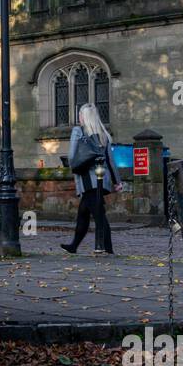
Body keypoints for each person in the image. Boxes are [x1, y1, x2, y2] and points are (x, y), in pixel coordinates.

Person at [61, 103, 122, 254]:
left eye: (80, 114)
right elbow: (110, 161)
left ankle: (108, 249)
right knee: (83, 212)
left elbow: (72, 156)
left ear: (84, 116)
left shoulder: (78, 131)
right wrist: (117, 181)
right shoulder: (104, 134)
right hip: (102, 178)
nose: (79, 117)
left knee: (99, 215)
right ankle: (74, 245)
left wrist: (71, 164)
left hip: (89, 181)